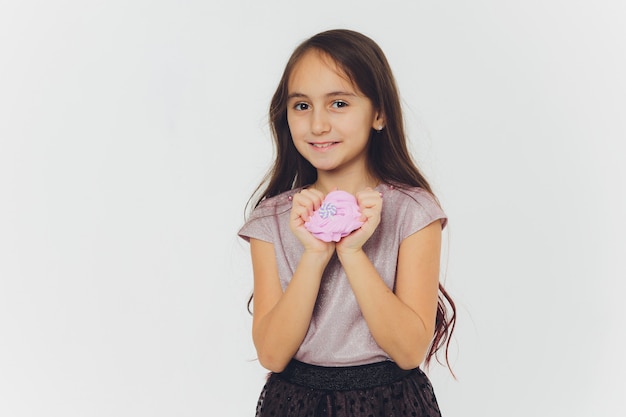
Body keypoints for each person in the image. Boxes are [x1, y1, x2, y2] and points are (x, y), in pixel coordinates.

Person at [238, 29, 456, 417]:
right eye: (301, 106)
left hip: (391, 403)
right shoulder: (272, 219)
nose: (317, 125)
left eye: (338, 103)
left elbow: (408, 351)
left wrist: (353, 252)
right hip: (294, 404)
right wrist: (313, 255)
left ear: (379, 113)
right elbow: (271, 353)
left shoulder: (413, 211)